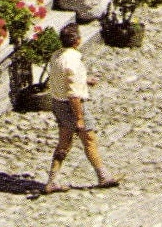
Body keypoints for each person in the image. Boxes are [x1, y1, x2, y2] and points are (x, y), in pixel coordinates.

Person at [43, 24, 118, 193]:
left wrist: (84, 80)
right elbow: (73, 95)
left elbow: (62, 80)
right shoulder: (73, 61)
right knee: (89, 139)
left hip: (57, 104)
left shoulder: (56, 56)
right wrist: (79, 118)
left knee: (64, 142)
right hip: (72, 106)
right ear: (77, 41)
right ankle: (103, 176)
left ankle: (52, 180)